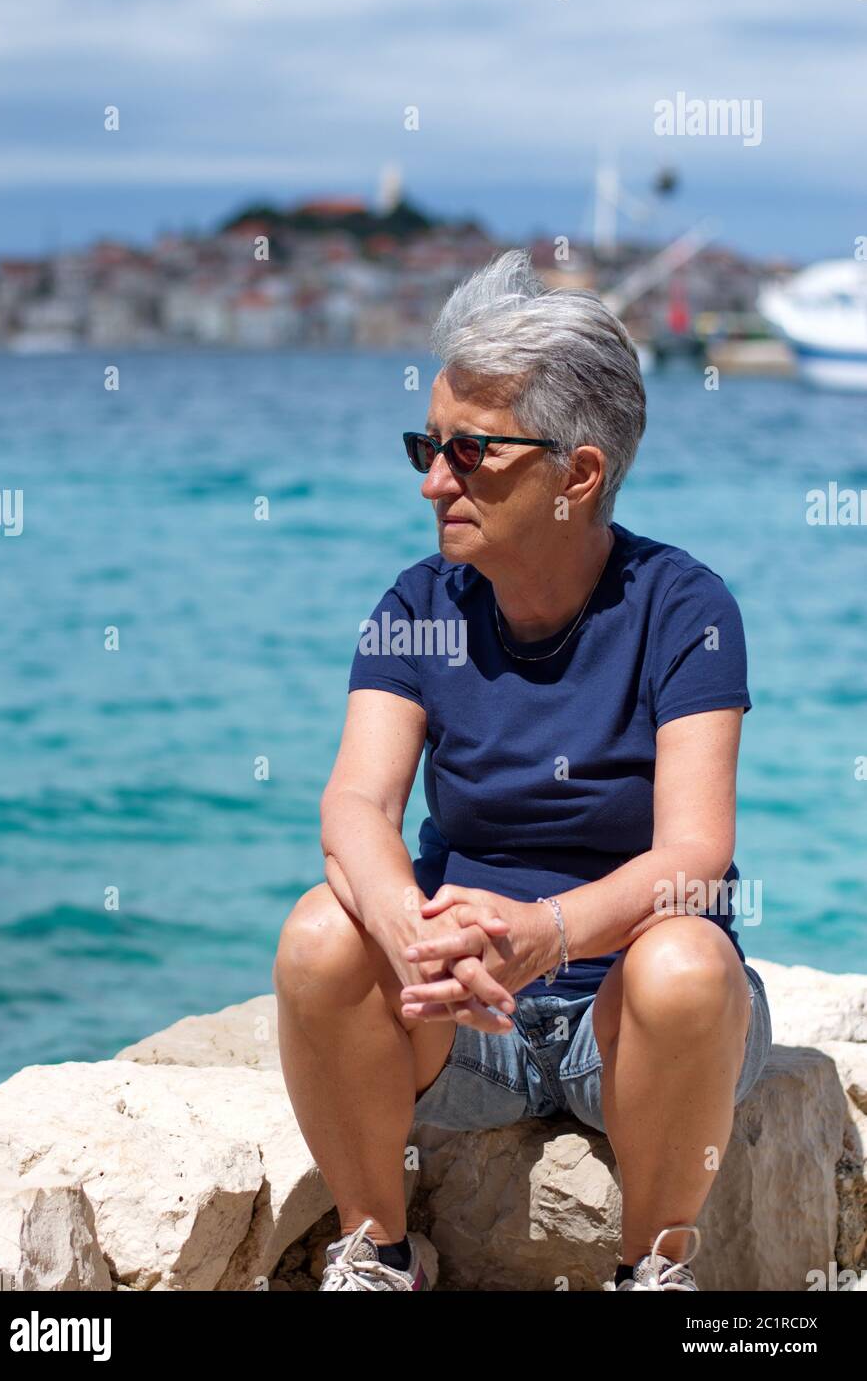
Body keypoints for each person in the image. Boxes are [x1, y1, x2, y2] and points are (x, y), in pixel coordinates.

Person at [273, 248, 772, 1292]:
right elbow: (354, 805)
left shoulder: (683, 609)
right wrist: (412, 936)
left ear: (576, 475)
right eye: (426, 444)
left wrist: (544, 937)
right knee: (323, 929)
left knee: (684, 962)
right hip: (456, 1020)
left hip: (625, 1025)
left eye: (468, 452)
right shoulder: (419, 607)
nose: (430, 480)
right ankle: (377, 1254)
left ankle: (654, 1266)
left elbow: (695, 855)